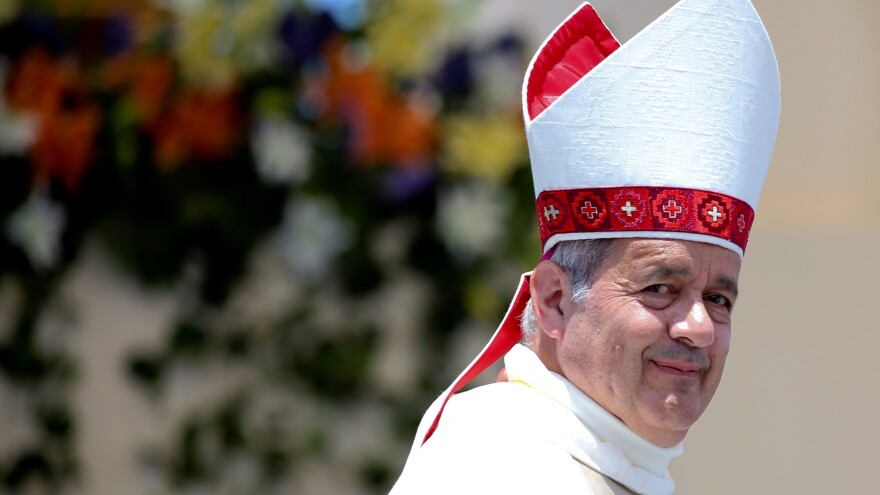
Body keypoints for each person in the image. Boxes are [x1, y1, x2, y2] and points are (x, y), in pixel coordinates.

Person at [391, 0, 780, 493]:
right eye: (660, 287)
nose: (699, 327)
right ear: (554, 300)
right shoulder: (493, 467)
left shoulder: (609, 465)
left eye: (718, 299)